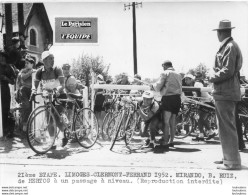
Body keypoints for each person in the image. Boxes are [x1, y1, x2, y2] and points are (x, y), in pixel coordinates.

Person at [208, 20, 242, 170]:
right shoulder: (230, 46)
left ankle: (232, 162)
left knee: (226, 127)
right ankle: (228, 157)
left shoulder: (229, 46)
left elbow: (227, 70)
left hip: (225, 92)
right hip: (226, 92)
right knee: (224, 127)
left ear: (220, 33)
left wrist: (211, 77)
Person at [31, 51, 68, 147]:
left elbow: (63, 84)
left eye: (53, 58)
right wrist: (33, 91)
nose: (53, 60)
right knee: (49, 120)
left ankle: (65, 134)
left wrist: (57, 90)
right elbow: (34, 85)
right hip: (48, 96)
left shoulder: (57, 69)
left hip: (60, 95)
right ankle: (52, 141)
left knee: (56, 117)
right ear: (44, 60)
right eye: (50, 58)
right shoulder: (39, 72)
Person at [153, 60, 182, 148]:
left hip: (168, 98)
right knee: (173, 122)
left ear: (165, 66)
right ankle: (171, 141)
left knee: (166, 122)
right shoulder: (178, 74)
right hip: (177, 98)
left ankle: (165, 141)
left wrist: (153, 86)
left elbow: (158, 86)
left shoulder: (165, 73)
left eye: (163, 66)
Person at [192, 72, 216, 141]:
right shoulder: (201, 83)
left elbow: (200, 93)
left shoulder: (197, 83)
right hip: (206, 100)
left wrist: (197, 100)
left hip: (205, 101)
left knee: (201, 119)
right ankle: (203, 134)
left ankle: (207, 133)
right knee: (201, 119)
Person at [0, 51, 18, 137]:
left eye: (3, 57)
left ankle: (6, 130)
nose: (1, 59)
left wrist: (6, 78)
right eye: (0, 57)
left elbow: (13, 81)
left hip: (4, 90)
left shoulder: (9, 67)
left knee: (5, 110)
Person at [17, 57, 36, 132]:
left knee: (31, 107)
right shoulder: (23, 71)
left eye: (27, 63)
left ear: (32, 64)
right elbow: (23, 77)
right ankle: (24, 123)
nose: (26, 64)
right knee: (26, 105)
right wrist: (30, 72)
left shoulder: (35, 71)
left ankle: (29, 126)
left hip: (31, 91)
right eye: (25, 63)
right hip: (24, 90)